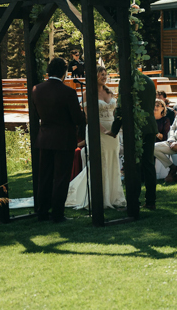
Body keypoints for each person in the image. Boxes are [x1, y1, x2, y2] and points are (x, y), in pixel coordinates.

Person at [32, 58, 84, 223]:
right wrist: (84, 115)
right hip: (64, 139)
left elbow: (36, 113)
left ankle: (42, 212)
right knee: (61, 177)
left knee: (44, 177)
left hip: (45, 138)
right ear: (64, 72)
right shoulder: (68, 92)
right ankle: (57, 214)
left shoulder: (37, 89)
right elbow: (77, 118)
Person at [66, 66, 126, 209]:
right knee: (100, 162)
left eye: (105, 74)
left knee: (112, 161)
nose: (104, 77)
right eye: (101, 74)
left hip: (113, 133)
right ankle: (98, 196)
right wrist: (104, 130)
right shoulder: (88, 93)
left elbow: (116, 112)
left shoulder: (110, 92)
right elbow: (90, 116)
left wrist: (115, 130)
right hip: (97, 131)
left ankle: (113, 196)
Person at [132, 71, 158, 211]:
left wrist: (115, 129)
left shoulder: (128, 80)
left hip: (137, 127)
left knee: (134, 165)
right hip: (150, 125)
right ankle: (151, 201)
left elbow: (122, 106)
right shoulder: (149, 80)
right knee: (148, 164)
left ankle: (134, 200)